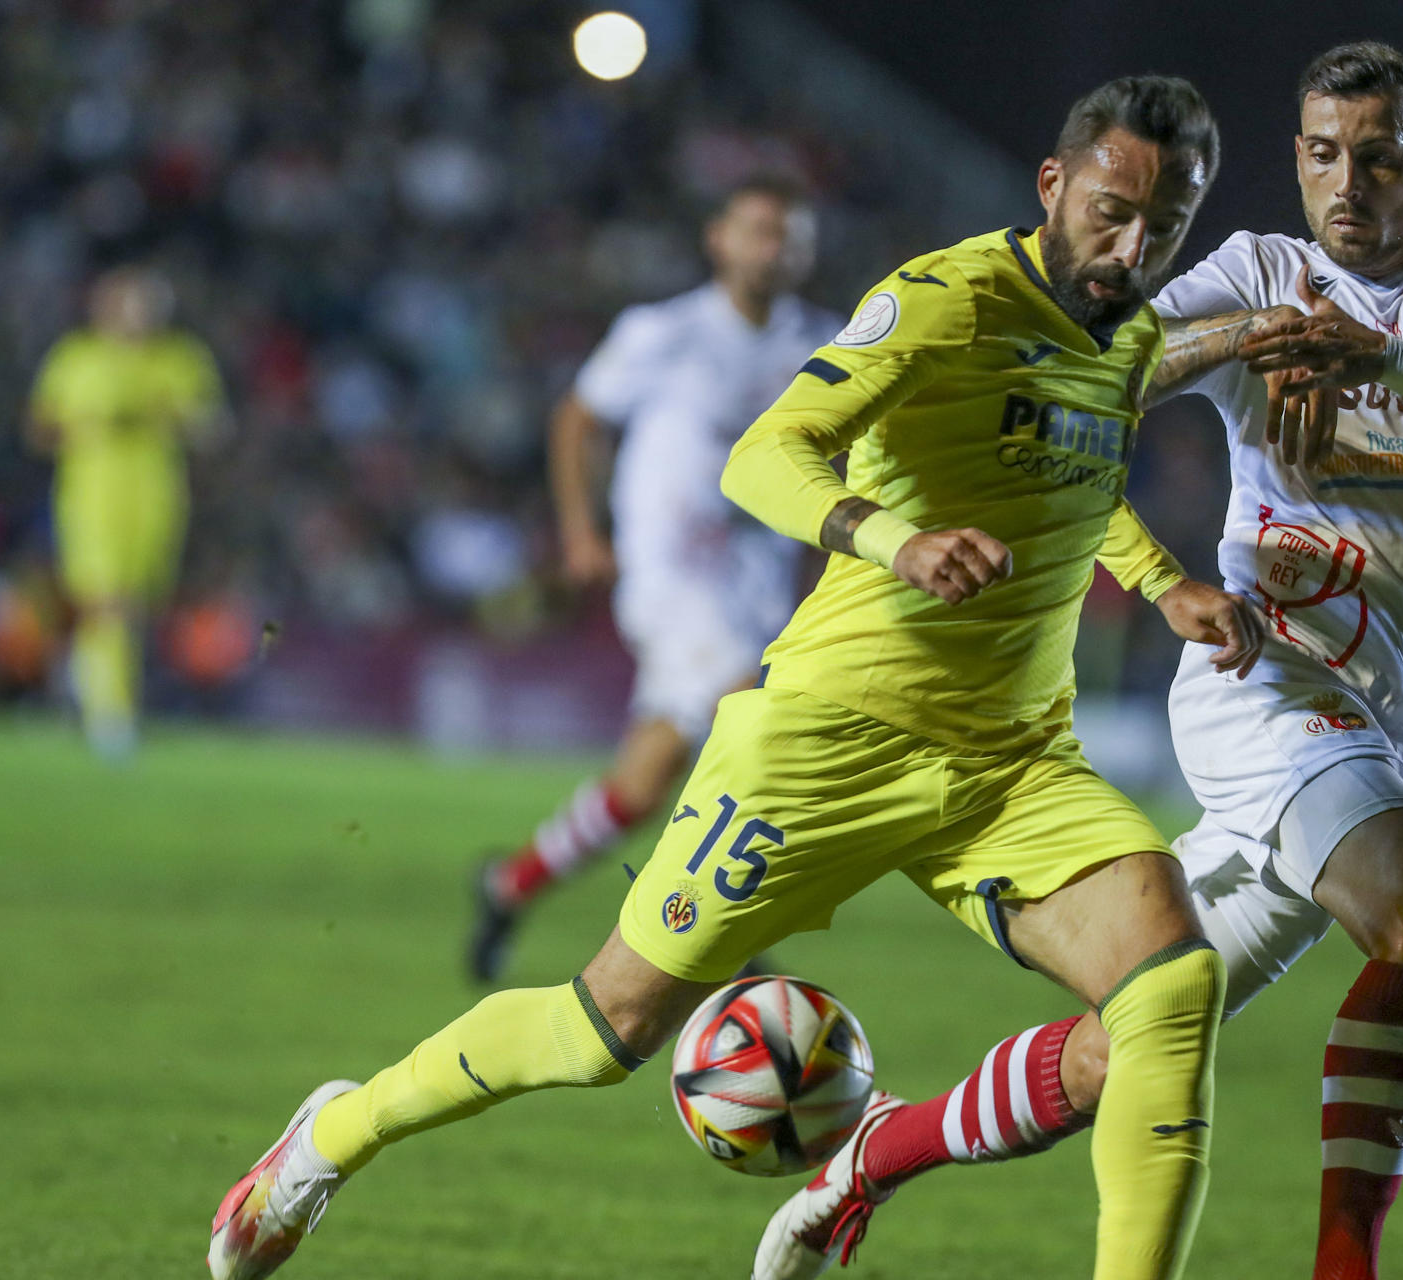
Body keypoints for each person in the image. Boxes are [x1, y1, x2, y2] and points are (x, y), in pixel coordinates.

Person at [208, 76, 1265, 1280]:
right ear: (1054, 184)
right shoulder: (945, 299)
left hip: (1012, 762)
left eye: (1163, 227)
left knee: (1172, 987)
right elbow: (766, 454)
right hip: (829, 738)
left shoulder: (1123, 336)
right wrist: (892, 538)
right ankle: (329, 1137)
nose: (1131, 248)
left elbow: (1079, 480)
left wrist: (1162, 577)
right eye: (1111, 211)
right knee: (603, 1029)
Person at [941, 42, 1403, 1280]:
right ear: (1296, 158)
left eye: (1381, 156)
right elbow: (1099, 374)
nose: (1346, 180)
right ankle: (1345, 1265)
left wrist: (1386, 359)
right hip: (1263, 672)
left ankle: (875, 1155)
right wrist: (1256, 332)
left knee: (1134, 1033)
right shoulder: (1263, 270)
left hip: (1386, 714)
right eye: (1321, 153)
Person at [469, 178, 841, 982]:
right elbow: (579, 418)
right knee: (757, 716)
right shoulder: (662, 332)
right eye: (760, 229)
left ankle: (510, 885)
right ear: (720, 239)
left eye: (790, 235)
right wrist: (581, 532)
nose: (774, 248)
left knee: (645, 780)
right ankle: (715, 932)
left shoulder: (826, 343)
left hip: (759, 581)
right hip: (672, 576)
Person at [28, 267, 226, 759]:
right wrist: (88, 426)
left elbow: (212, 424)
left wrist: (160, 416)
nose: (141, 316)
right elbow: (40, 427)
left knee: (136, 608)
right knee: (105, 602)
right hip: (91, 498)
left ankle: (88, 692)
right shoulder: (78, 358)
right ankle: (110, 718)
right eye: (133, 304)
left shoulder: (180, 358)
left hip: (157, 498)